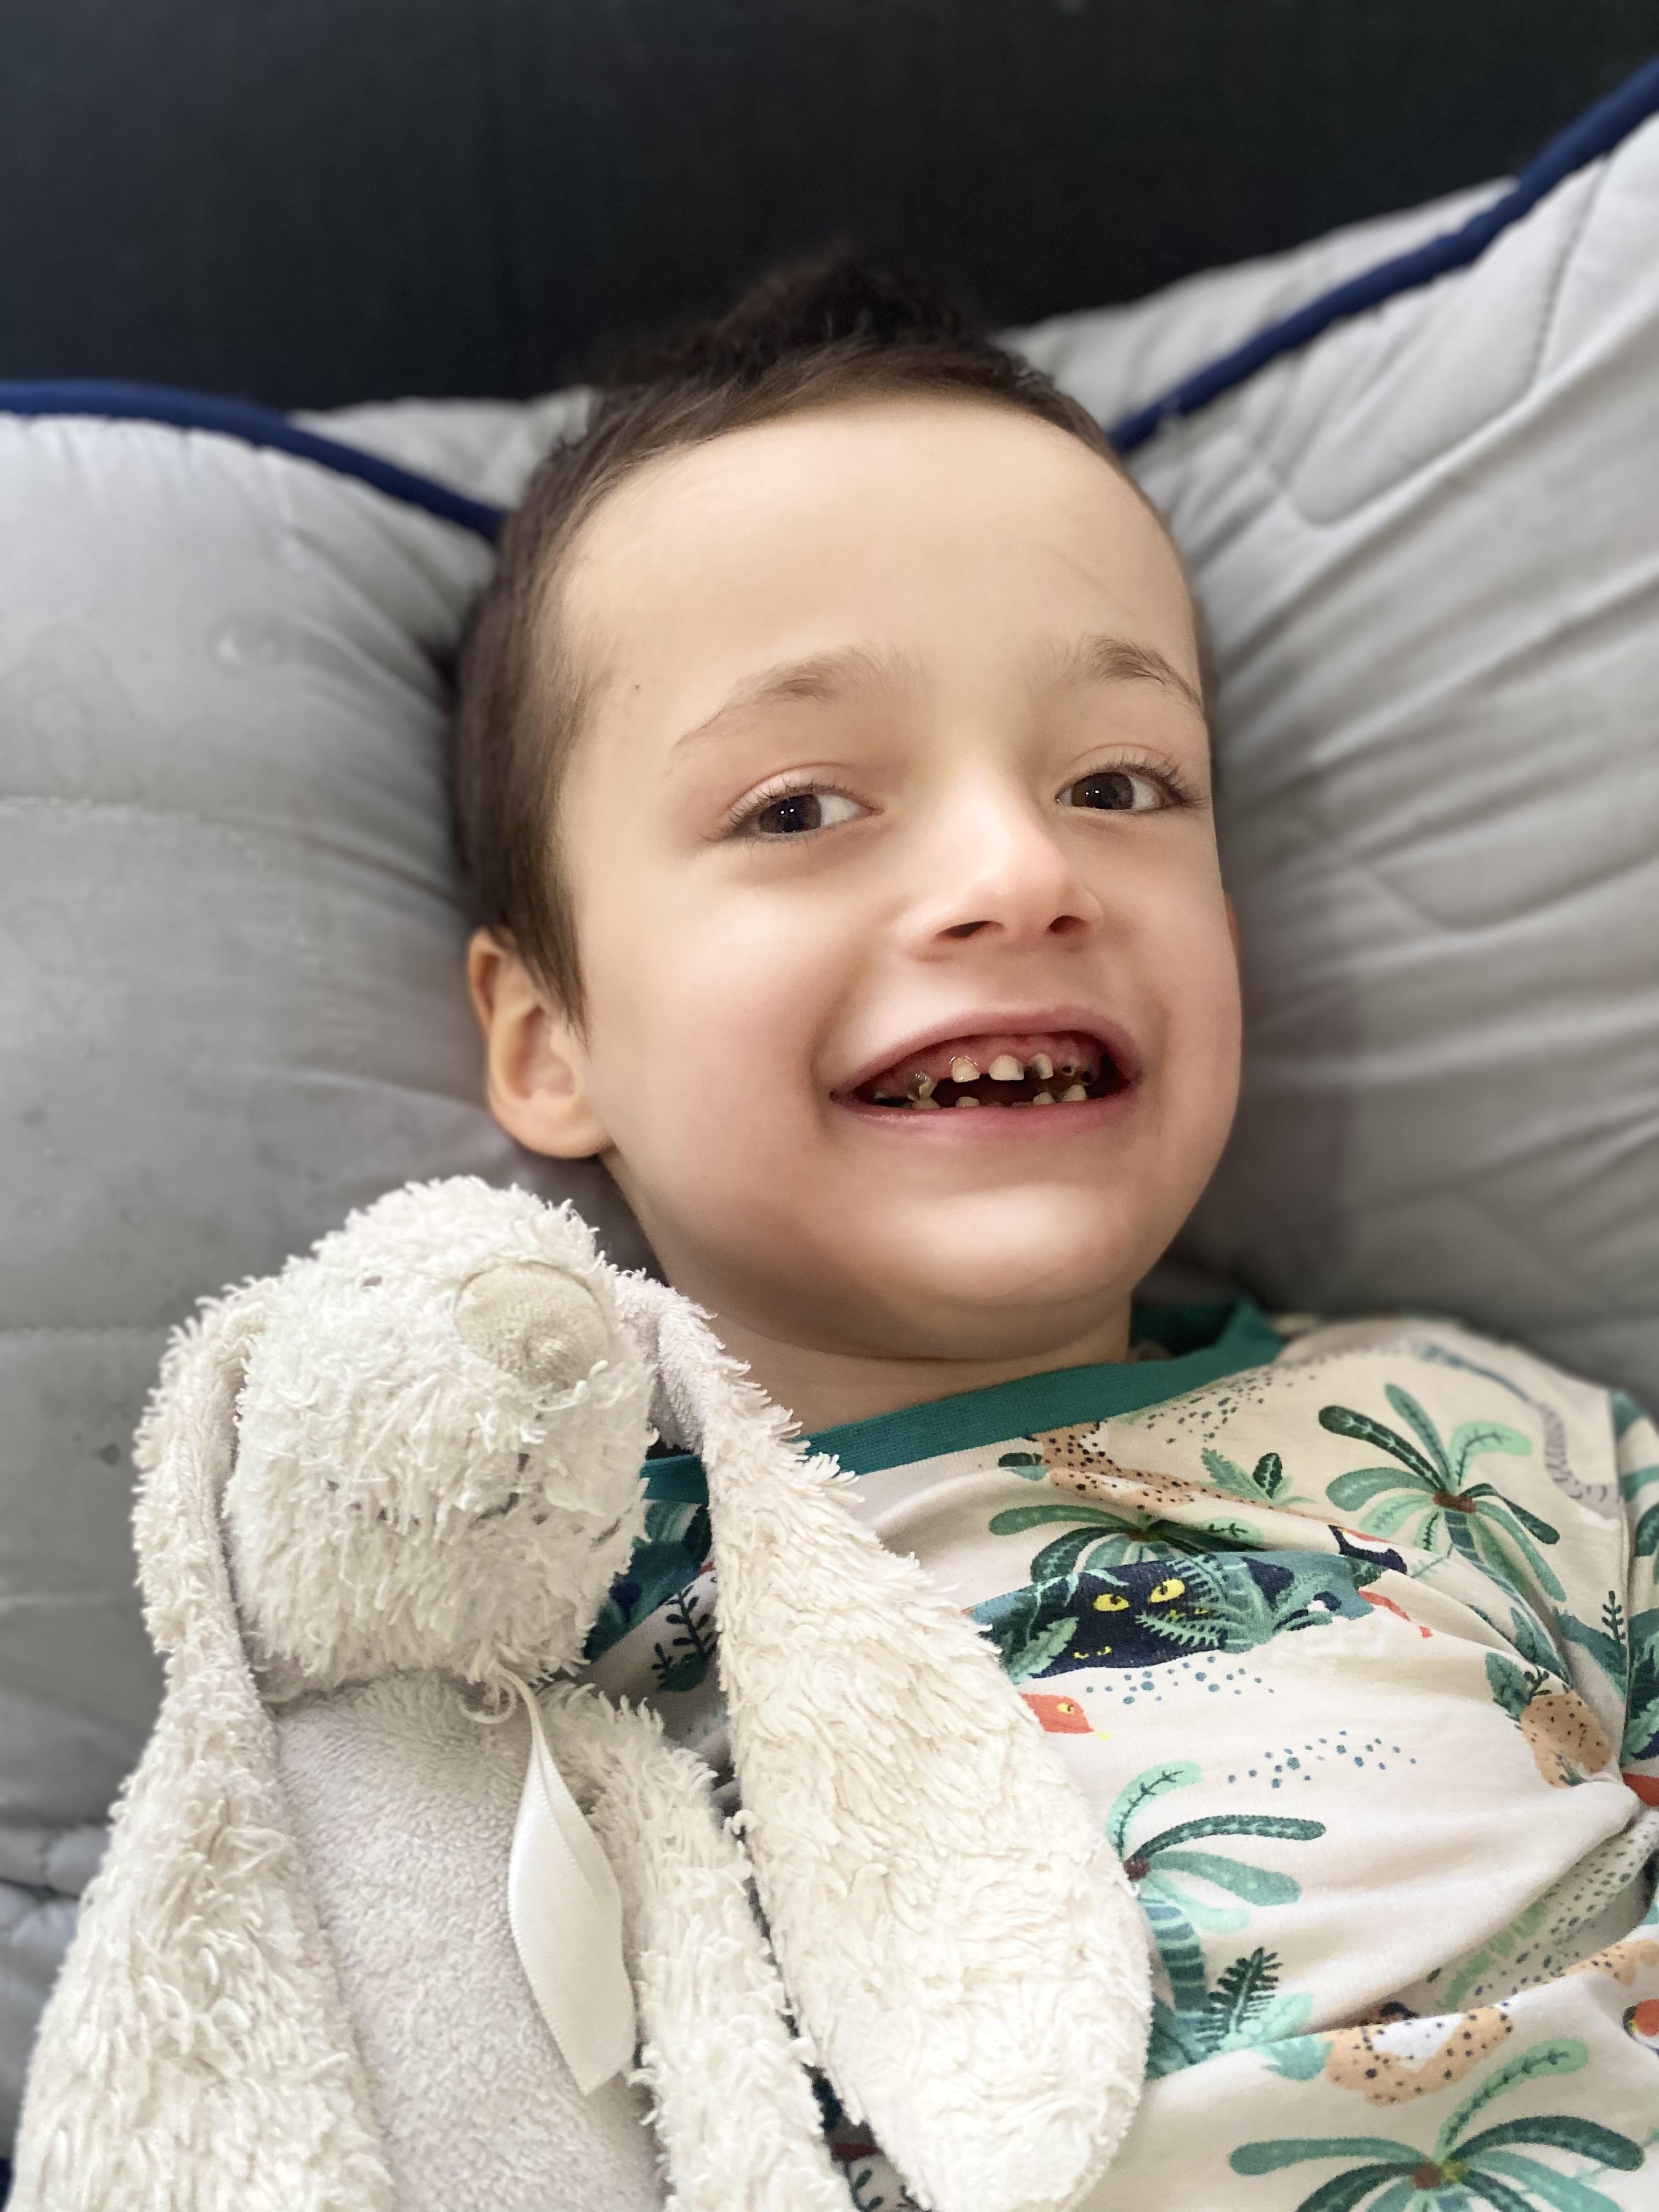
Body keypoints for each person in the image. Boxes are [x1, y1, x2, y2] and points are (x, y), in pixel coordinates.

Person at [454, 244, 1659, 2208]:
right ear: (546, 1034)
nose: (1021, 871)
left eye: (1120, 781)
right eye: (799, 807)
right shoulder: (521, 1619)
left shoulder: (1492, 1445)